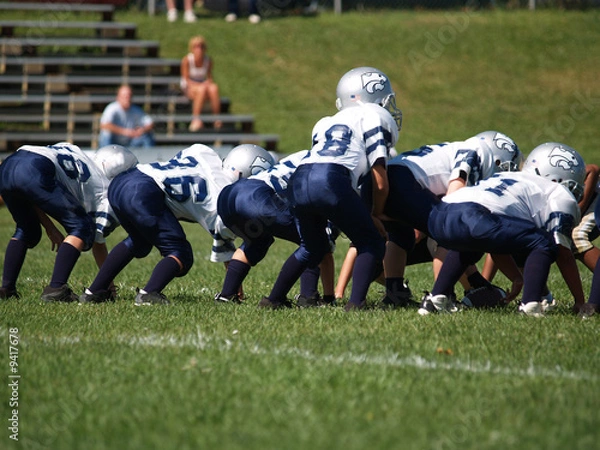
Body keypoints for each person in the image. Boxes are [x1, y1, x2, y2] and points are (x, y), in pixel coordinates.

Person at [259, 66, 402, 311]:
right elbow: (379, 180)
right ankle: (356, 304)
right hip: (330, 179)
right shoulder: (375, 116)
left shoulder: (327, 121)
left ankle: (273, 299)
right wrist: (376, 214)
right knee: (371, 242)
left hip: (299, 179)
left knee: (311, 247)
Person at [79, 144, 270, 305]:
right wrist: (233, 287)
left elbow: (191, 153)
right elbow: (224, 239)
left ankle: (95, 291)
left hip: (123, 181)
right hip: (143, 191)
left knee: (139, 241)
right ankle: (149, 294)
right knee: (180, 253)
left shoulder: (205, 155)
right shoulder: (221, 197)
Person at [421, 142, 587, 317]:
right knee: (544, 242)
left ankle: (437, 298)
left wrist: (516, 277)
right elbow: (563, 253)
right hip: (476, 215)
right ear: (559, 177)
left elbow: (496, 245)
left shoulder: (509, 177)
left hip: (441, 213)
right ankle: (530, 304)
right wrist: (579, 300)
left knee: (470, 243)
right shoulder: (557, 191)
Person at [372, 131, 524, 308]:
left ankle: (395, 292)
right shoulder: (476, 151)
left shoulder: (458, 148)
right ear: (497, 160)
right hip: (406, 180)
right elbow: (455, 193)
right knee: (450, 233)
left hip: (393, 175)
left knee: (399, 234)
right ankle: (443, 296)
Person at [0, 143, 137, 302]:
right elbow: (97, 241)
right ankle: (56, 288)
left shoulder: (76, 152)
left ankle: (7, 289)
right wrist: (109, 286)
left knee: (27, 230)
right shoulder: (103, 187)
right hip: (36, 169)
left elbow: (29, 189)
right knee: (82, 227)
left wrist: (50, 227)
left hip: (10, 165)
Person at [215, 148, 336, 306]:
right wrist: (329, 298)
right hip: (257, 197)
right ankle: (301, 297)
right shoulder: (327, 163)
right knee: (312, 241)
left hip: (229, 197)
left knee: (257, 242)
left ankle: (227, 295)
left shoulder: (303, 155)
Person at [180, 36, 223, 132]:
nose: (199, 49)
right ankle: (195, 119)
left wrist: (208, 82)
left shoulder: (208, 60)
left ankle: (216, 119)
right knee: (201, 89)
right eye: (196, 46)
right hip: (190, 86)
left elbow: (209, 76)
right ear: (192, 48)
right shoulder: (187, 60)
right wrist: (201, 85)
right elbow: (186, 79)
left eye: (201, 46)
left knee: (214, 88)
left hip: (202, 85)